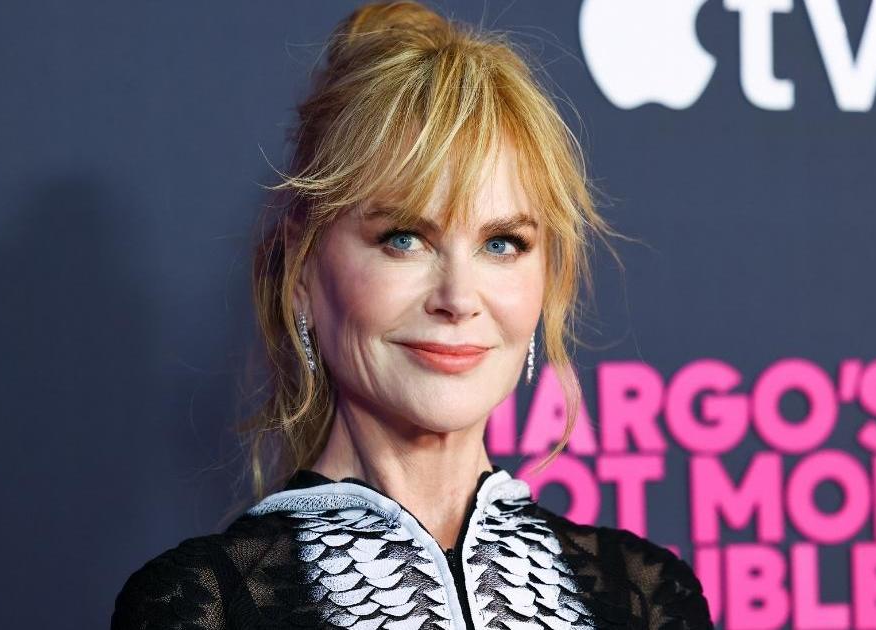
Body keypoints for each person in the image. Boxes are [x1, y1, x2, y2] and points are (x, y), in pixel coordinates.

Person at [111, 1, 713, 628]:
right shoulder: (202, 605)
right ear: (303, 270)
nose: (458, 298)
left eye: (501, 243)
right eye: (404, 239)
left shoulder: (646, 597)